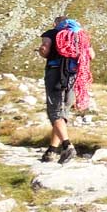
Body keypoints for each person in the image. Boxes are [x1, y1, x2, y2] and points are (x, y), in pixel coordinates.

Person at [36, 16, 87, 162]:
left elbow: (45, 50)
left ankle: (67, 146)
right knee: (63, 111)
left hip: (55, 73)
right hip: (73, 76)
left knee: (54, 112)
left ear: (56, 24)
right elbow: (91, 54)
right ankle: (51, 151)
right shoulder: (78, 35)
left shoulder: (52, 33)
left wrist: (41, 50)